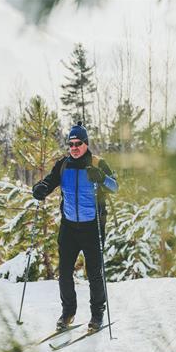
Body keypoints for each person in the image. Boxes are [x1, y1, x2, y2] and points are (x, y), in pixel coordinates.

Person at [32, 121, 118, 332]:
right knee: (65, 272)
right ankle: (68, 313)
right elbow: (48, 182)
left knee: (94, 273)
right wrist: (39, 188)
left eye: (78, 143)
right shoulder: (63, 165)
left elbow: (115, 187)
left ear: (86, 144)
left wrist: (102, 178)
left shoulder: (98, 163)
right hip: (69, 227)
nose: (74, 147)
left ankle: (97, 315)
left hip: (92, 226)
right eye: (70, 144)